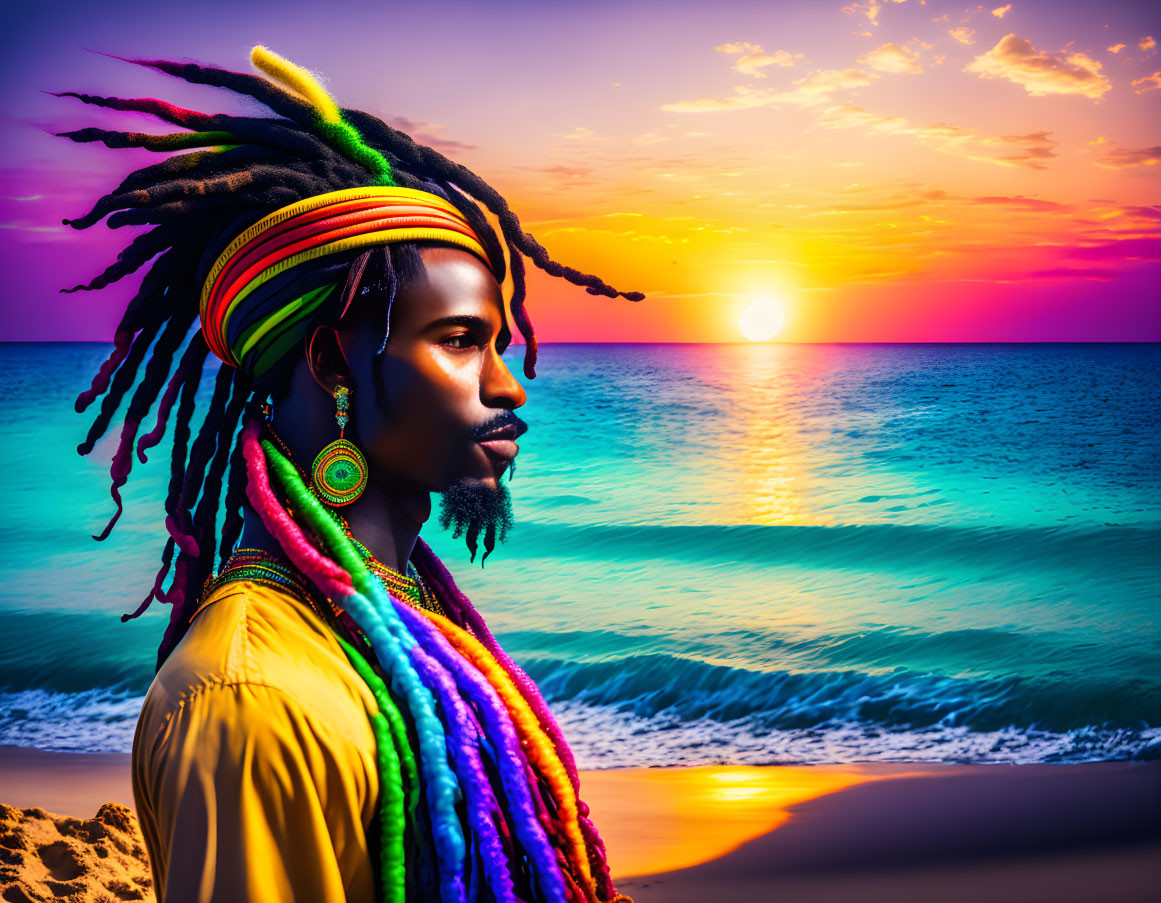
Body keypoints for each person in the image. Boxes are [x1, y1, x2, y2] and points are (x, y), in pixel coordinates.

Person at [59, 45, 643, 902]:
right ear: (335, 363)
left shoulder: (402, 609)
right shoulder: (248, 702)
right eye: (459, 341)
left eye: (500, 344)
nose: (509, 385)